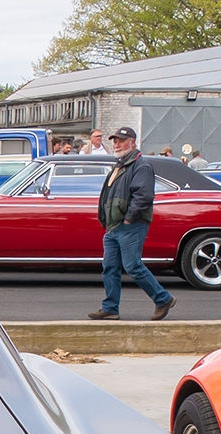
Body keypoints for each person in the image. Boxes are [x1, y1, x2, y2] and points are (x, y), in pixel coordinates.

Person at [89, 127, 175, 322]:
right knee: (110, 267)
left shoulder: (140, 166)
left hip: (130, 225)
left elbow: (143, 196)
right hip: (114, 226)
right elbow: (108, 195)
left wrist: (129, 218)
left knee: (132, 266)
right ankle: (110, 308)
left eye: (121, 140)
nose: (117, 144)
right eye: (115, 141)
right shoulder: (120, 165)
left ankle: (163, 299)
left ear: (133, 142)